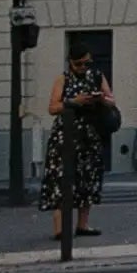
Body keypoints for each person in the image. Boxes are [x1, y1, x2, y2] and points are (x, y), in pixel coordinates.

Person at [40, 47, 111, 237]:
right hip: (66, 135)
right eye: (78, 63)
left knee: (87, 178)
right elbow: (53, 107)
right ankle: (60, 229)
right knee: (61, 178)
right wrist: (75, 101)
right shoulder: (62, 79)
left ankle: (83, 224)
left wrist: (101, 99)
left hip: (90, 134)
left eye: (86, 63)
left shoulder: (97, 76)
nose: (82, 67)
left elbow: (111, 100)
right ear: (70, 62)